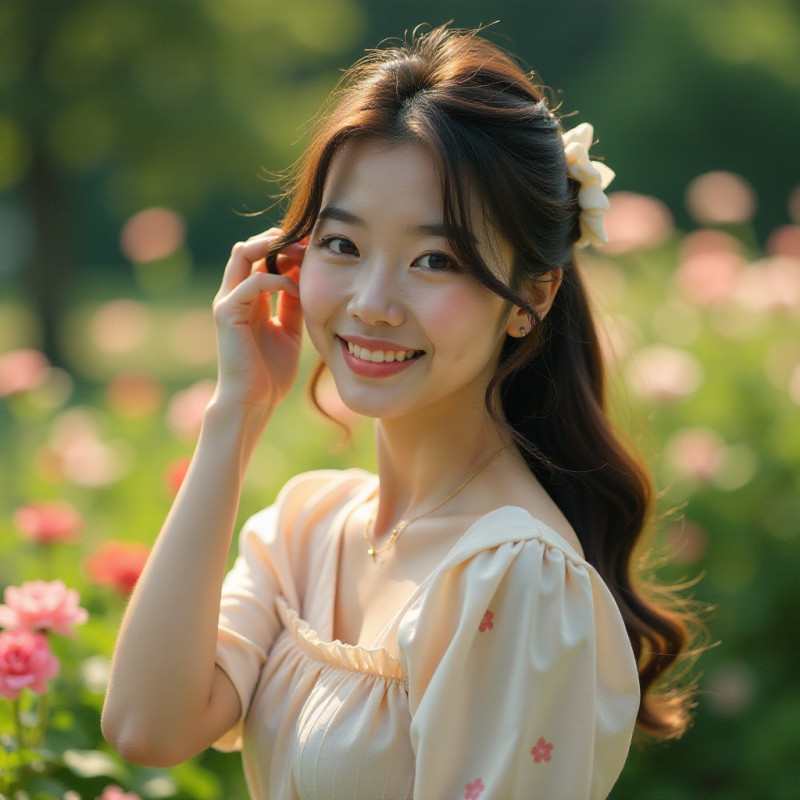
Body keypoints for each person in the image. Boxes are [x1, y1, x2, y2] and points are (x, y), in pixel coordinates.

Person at [102, 25, 705, 800]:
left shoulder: (514, 578)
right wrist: (236, 414)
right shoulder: (308, 528)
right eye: (343, 245)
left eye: (435, 260)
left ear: (534, 297)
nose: (373, 305)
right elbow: (147, 728)